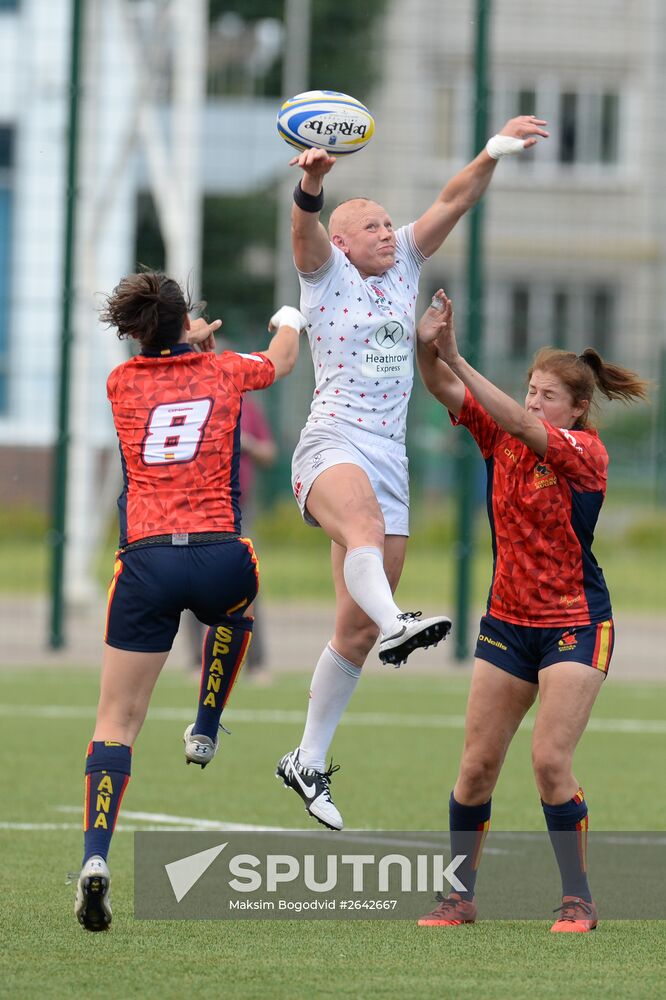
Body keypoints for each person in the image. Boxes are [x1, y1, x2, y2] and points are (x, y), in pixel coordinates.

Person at [276, 116, 550, 832]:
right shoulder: (324, 269)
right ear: (343, 241)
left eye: (388, 223)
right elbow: (304, 237)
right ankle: (400, 621)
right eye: (372, 224)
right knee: (364, 538)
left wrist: (492, 149)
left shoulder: (401, 263)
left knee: (354, 633)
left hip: (388, 456)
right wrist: (311, 185)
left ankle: (307, 759)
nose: (387, 231)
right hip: (331, 442)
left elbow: (454, 201)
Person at [73, 269, 306, 932]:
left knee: (116, 721)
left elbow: (166, 370)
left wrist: (186, 339)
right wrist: (290, 311)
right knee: (239, 604)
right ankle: (206, 724)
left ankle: (95, 858)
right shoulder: (225, 371)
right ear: (188, 323)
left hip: (145, 562)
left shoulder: (120, 383)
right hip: (216, 553)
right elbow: (284, 356)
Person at [414, 290, 649, 933]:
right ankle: (458, 896)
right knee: (475, 767)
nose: (533, 399)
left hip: (575, 623)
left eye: (547, 393)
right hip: (507, 622)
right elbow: (436, 384)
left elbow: (519, 424)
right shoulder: (501, 429)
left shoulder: (582, 452)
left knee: (549, 762)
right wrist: (424, 341)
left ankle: (578, 899)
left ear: (576, 408)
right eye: (530, 388)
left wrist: (457, 355)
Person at [184, 395, 276, 679]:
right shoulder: (196, 407)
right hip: (200, 507)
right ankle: (199, 663)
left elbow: (269, 453)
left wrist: (247, 444)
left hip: (238, 508)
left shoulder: (248, 407)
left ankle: (255, 663)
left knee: (246, 583)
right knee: (193, 583)